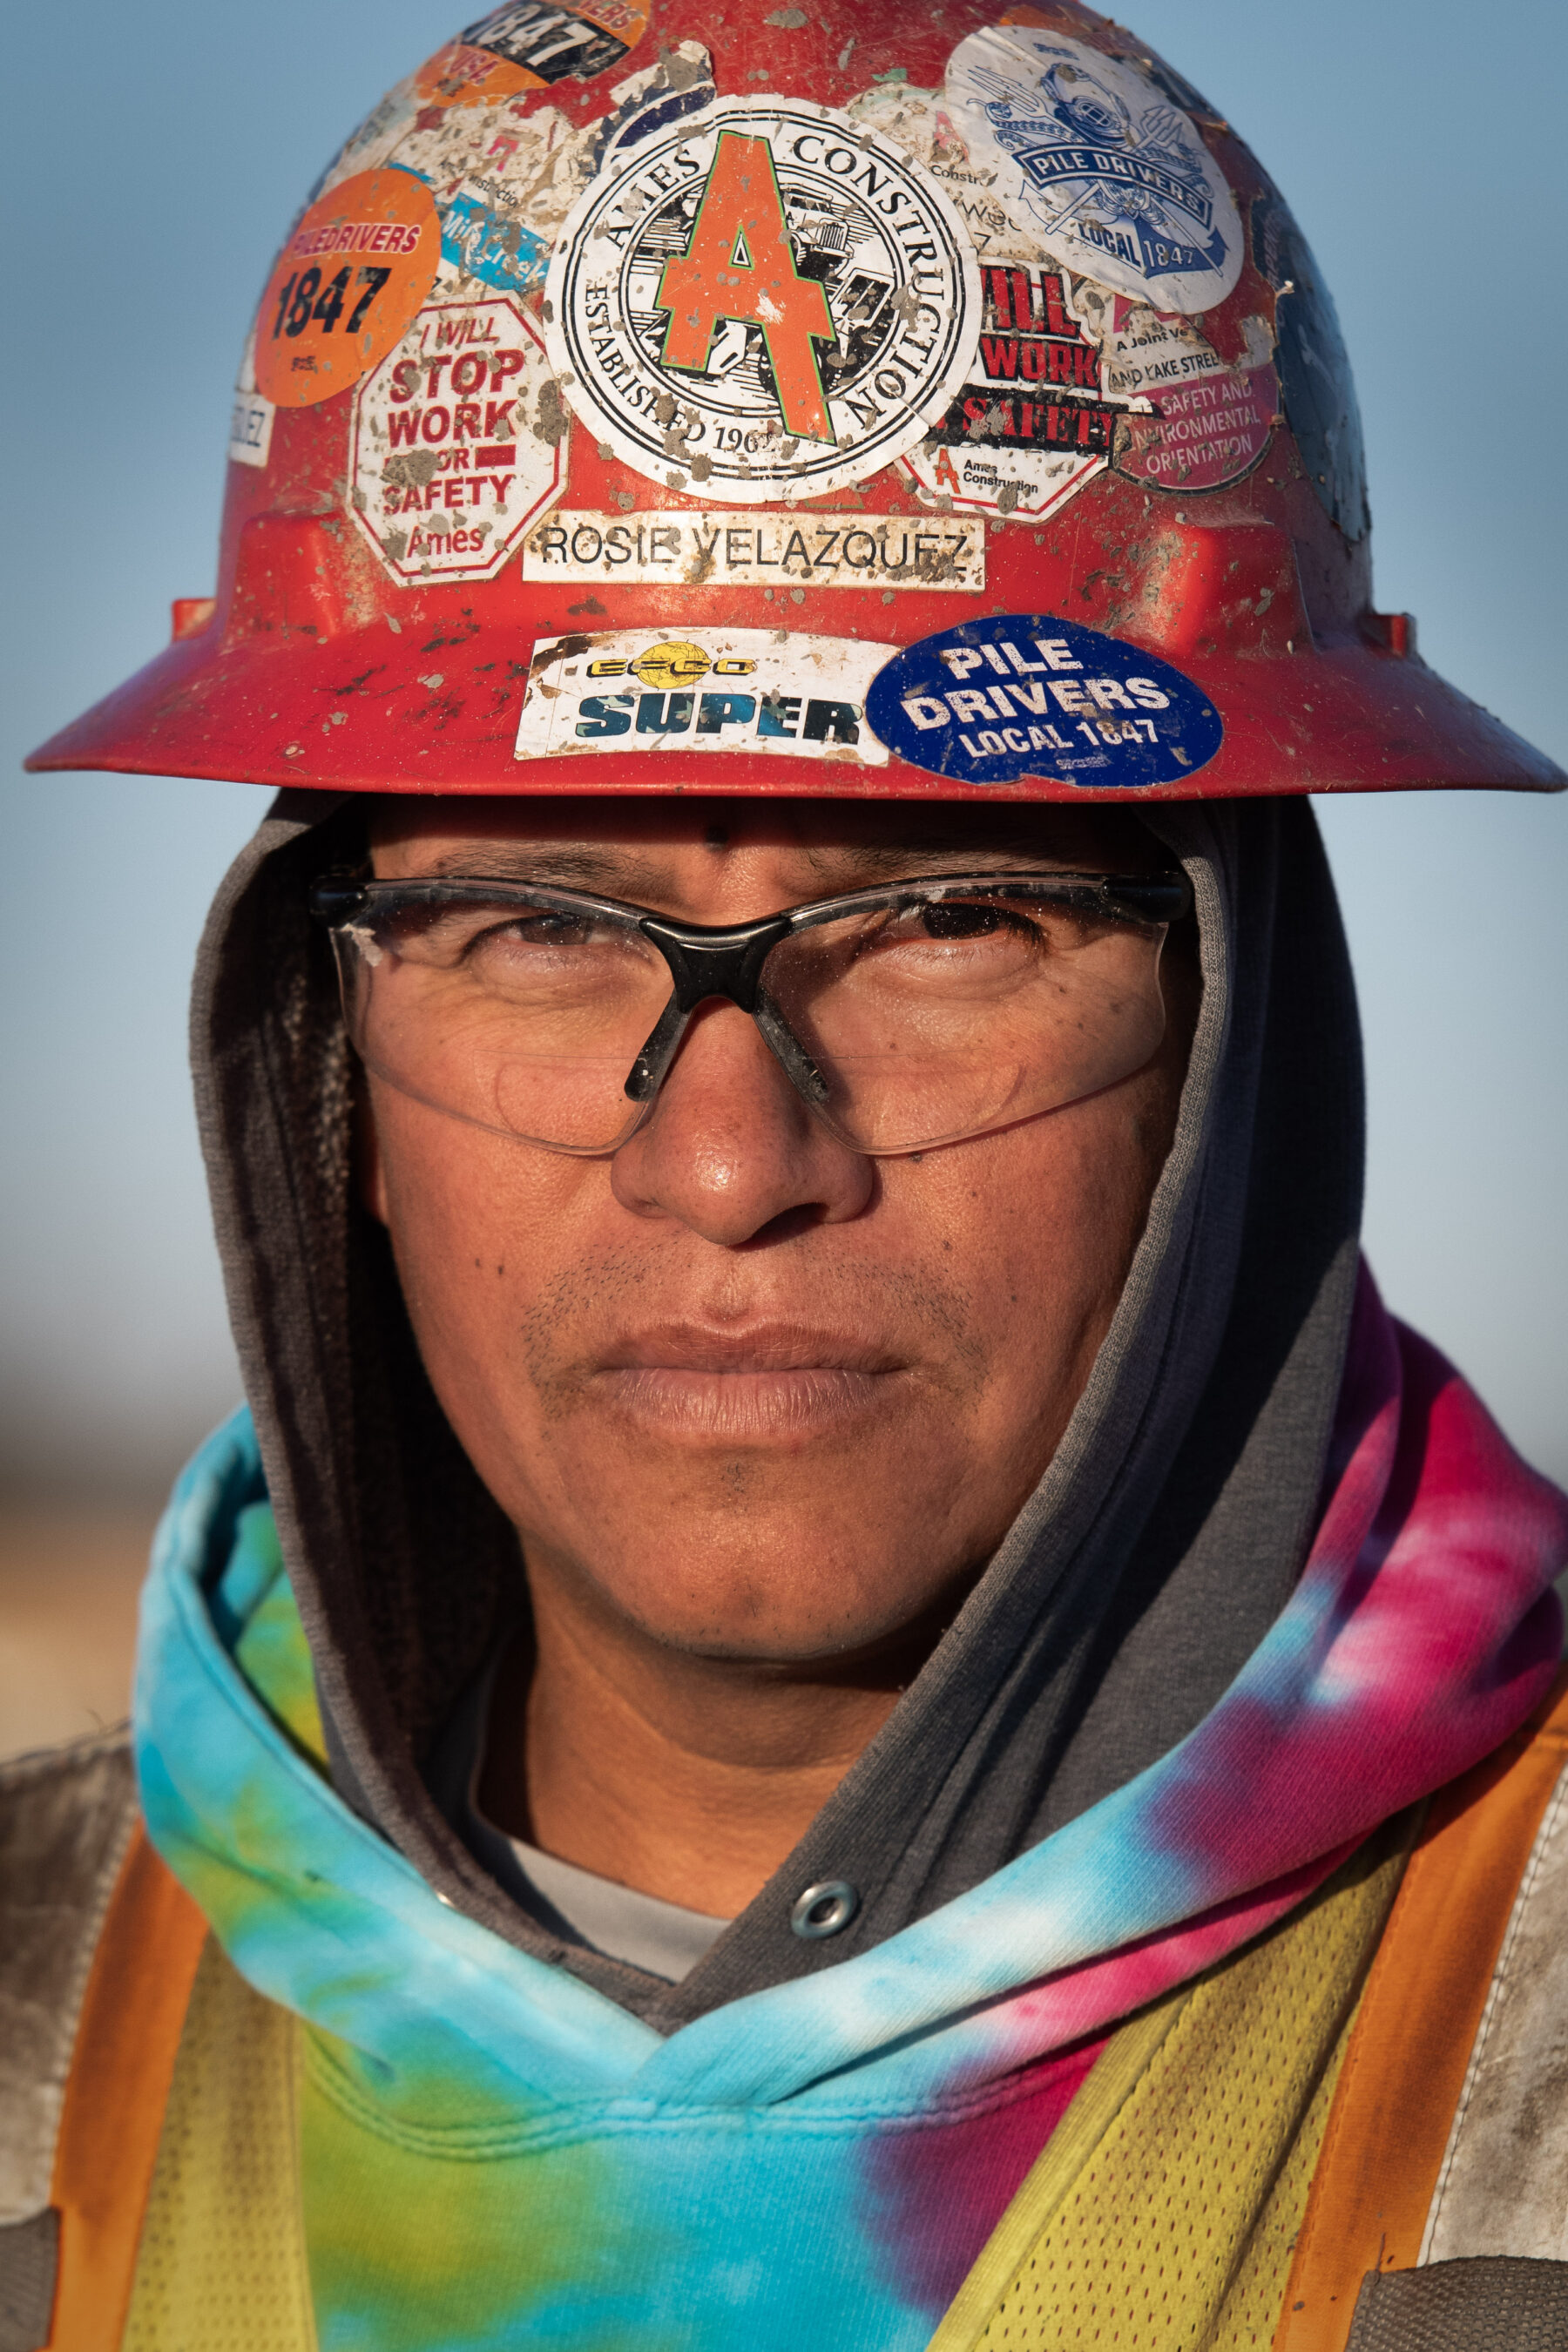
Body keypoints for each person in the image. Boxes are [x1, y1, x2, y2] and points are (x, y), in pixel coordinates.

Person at [5, 2, 1567, 2347]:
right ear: (318, 1060)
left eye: (950, 920)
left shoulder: (1521, 2048)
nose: (731, 1157)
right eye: (536, 926)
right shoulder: (34, 2026)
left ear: (1233, 1044)